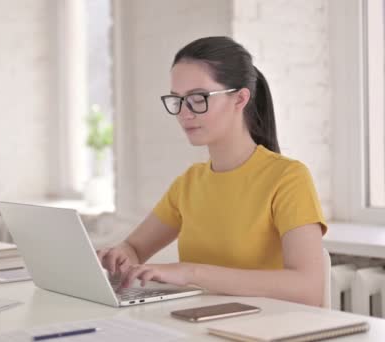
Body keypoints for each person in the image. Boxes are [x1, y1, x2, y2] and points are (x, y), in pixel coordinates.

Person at [97, 36, 327, 307]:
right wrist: (121, 255)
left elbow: (308, 287)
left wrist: (192, 273)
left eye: (198, 98)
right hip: (198, 325)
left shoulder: (288, 178)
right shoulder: (189, 183)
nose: (184, 113)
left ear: (240, 99)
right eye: (177, 100)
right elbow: (135, 249)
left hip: (267, 329)